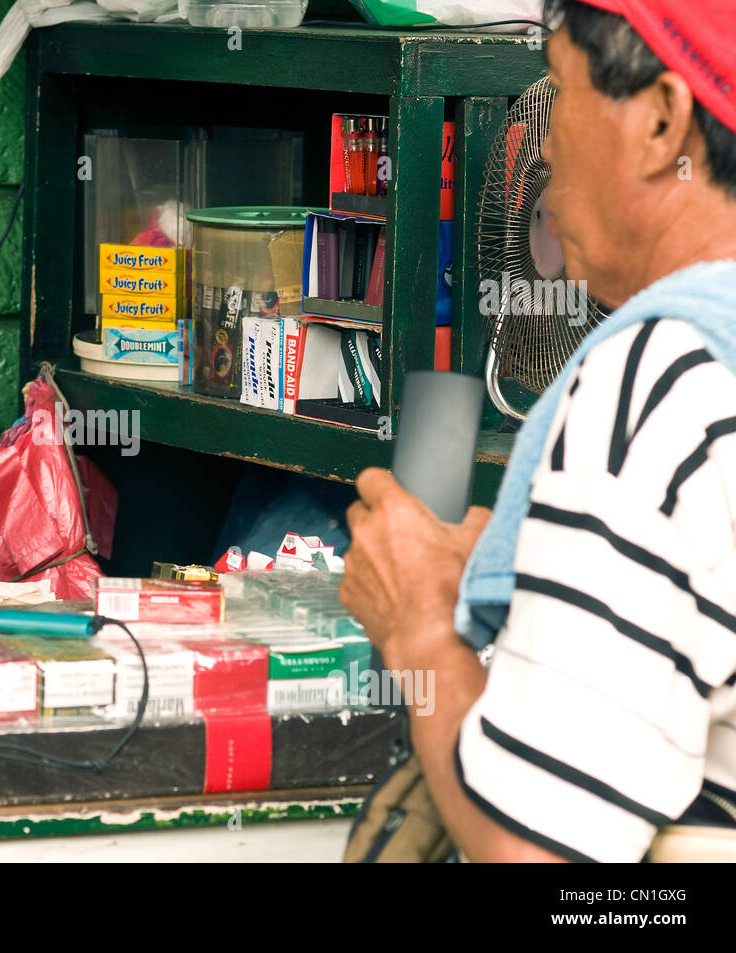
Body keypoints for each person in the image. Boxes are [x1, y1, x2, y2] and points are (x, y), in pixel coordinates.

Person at [340, 0, 736, 863]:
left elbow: (543, 858)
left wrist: (422, 620)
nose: (544, 141)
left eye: (556, 88)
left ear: (663, 120)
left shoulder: (659, 380)